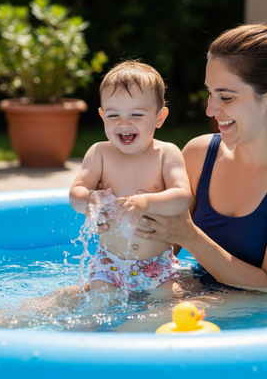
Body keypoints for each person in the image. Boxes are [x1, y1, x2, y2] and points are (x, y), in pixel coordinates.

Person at [118, 12, 267, 293]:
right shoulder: (199, 153)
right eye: (210, 93)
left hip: (266, 312)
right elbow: (162, 249)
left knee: (136, 329)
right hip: (201, 291)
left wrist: (191, 237)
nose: (210, 109)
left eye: (226, 97)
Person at [69, 60, 191, 292]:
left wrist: (147, 202)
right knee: (98, 303)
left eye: (136, 114)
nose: (124, 123)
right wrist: (89, 199)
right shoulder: (100, 153)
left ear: (159, 117)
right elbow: (76, 193)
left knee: (166, 302)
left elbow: (183, 196)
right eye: (113, 115)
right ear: (102, 116)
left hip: (157, 264)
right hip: (109, 264)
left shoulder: (166, 153)